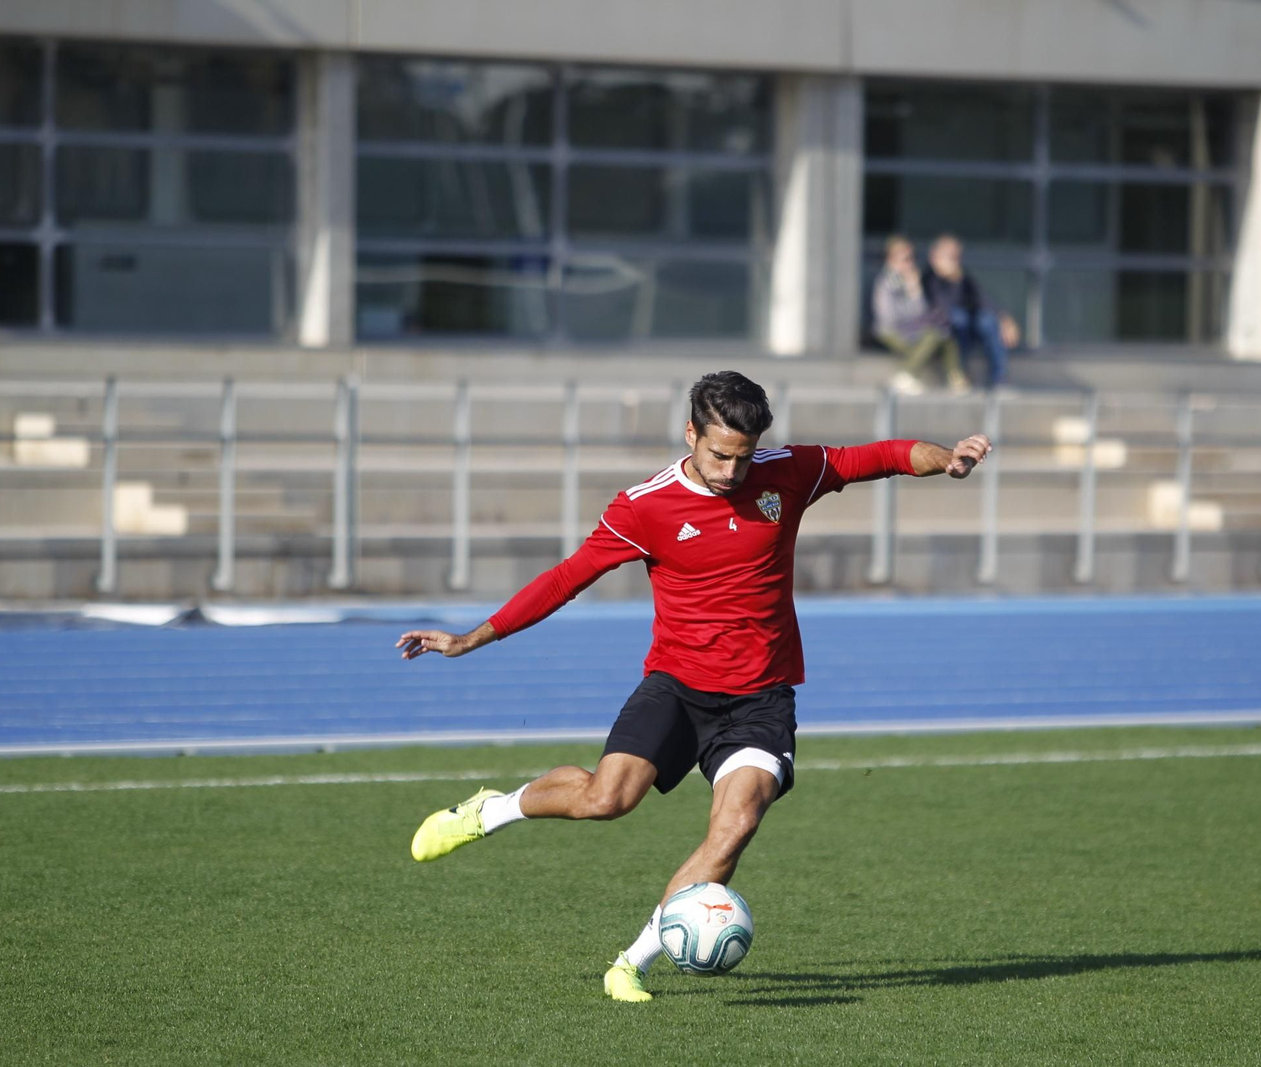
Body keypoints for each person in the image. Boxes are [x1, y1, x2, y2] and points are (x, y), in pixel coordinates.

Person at [396, 371, 991, 1003]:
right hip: (677, 687)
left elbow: (883, 456)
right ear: (691, 434)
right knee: (606, 799)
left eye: (743, 457)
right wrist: (471, 638)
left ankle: (631, 963)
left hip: (761, 699)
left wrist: (946, 460)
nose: (733, 472)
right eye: (719, 455)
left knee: (735, 826)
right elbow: (566, 579)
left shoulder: (788, 472)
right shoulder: (643, 507)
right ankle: (493, 810)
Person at [923, 234, 1022, 390]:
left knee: (988, 321)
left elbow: (982, 298)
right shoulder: (929, 277)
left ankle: (999, 378)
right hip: (946, 329)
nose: (955, 261)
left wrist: (1004, 318)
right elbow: (943, 307)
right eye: (951, 256)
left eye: (957, 257)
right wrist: (952, 280)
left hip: (969, 324)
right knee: (959, 318)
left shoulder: (962, 277)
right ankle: (961, 372)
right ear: (935, 257)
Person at [871, 235, 966, 395]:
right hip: (891, 331)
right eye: (905, 259)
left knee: (946, 336)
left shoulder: (912, 281)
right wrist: (913, 322)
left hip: (912, 329)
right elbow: (887, 317)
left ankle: (955, 377)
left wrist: (914, 291)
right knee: (932, 336)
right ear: (891, 259)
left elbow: (921, 312)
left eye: (912, 258)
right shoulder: (885, 282)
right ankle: (905, 375)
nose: (910, 263)